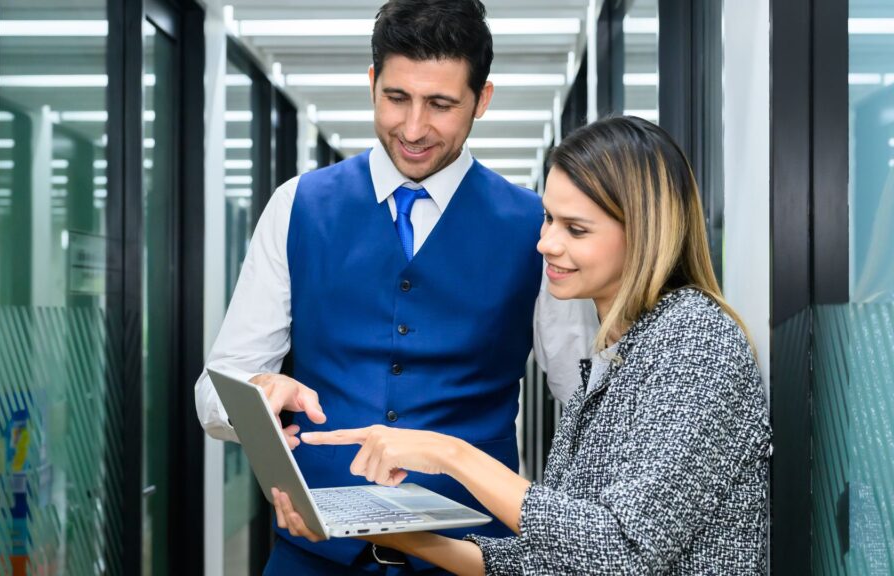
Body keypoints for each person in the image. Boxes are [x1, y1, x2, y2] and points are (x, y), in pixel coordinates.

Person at [193, 0, 597, 573]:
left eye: (440, 104)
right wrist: (256, 400)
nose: (412, 129)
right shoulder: (296, 207)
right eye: (396, 98)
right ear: (372, 83)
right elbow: (214, 391)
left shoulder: (538, 230)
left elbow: (585, 405)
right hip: (310, 553)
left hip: (469, 557)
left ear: (481, 100)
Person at [274, 116, 773, 574]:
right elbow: (549, 560)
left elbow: (622, 551)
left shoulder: (695, 340)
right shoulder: (616, 353)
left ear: (644, 234)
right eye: (549, 220)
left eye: (575, 229)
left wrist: (451, 455)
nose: (546, 244)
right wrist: (371, 528)